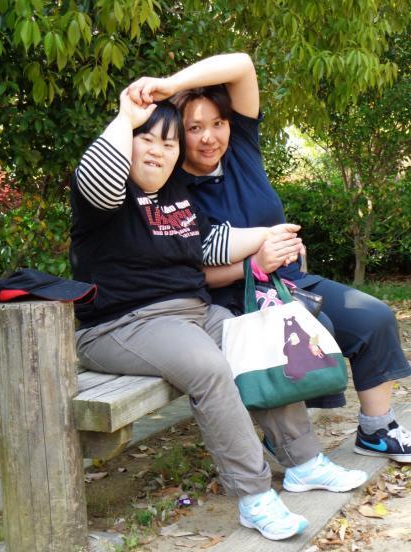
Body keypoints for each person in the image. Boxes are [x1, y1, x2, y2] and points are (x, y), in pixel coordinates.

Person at [69, 86, 367, 541]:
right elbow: (99, 176)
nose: (157, 151)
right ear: (127, 142)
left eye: (169, 143)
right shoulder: (105, 197)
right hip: (124, 324)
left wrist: (270, 235)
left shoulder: (176, 192)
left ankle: (304, 462)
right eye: (146, 139)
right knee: (210, 367)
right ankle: (254, 495)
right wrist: (127, 117)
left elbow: (211, 244)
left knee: (256, 340)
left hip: (191, 312)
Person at [126, 52, 411, 463]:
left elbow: (242, 64)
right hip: (231, 298)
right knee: (315, 331)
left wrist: (170, 85)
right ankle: (286, 437)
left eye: (217, 123)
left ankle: (376, 428)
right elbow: (189, 274)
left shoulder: (241, 150)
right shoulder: (169, 189)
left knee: (374, 317)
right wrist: (253, 263)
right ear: (176, 134)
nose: (209, 138)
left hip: (289, 282)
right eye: (194, 128)